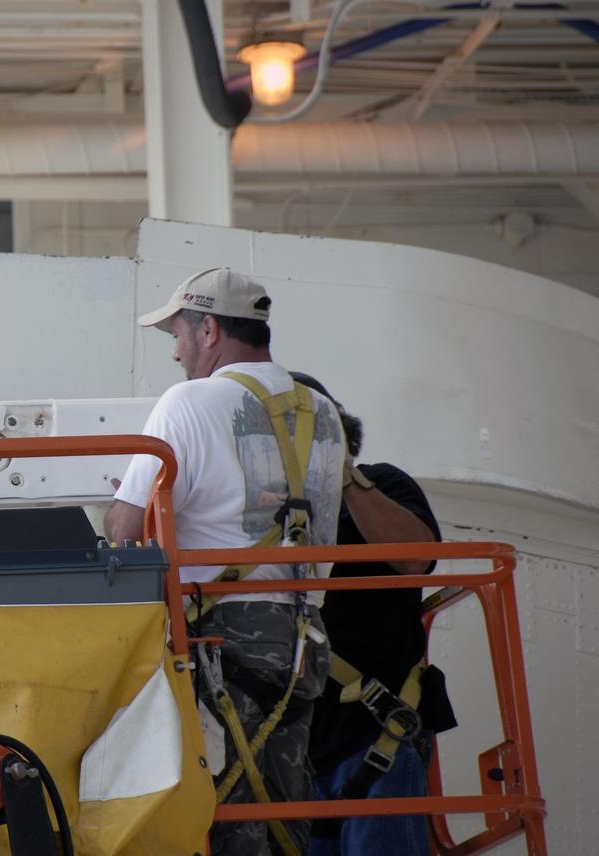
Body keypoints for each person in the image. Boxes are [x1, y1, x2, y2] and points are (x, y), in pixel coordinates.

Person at [104, 267, 345, 856]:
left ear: (208, 329)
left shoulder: (189, 402)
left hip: (216, 641)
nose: (177, 353)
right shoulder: (325, 412)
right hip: (302, 640)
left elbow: (126, 528)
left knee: (218, 810)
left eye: (178, 336)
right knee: (281, 810)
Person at [292, 372, 451, 856]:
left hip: (369, 734)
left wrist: (340, 473)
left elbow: (415, 557)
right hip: (289, 753)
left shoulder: (378, 485)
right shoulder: (259, 518)